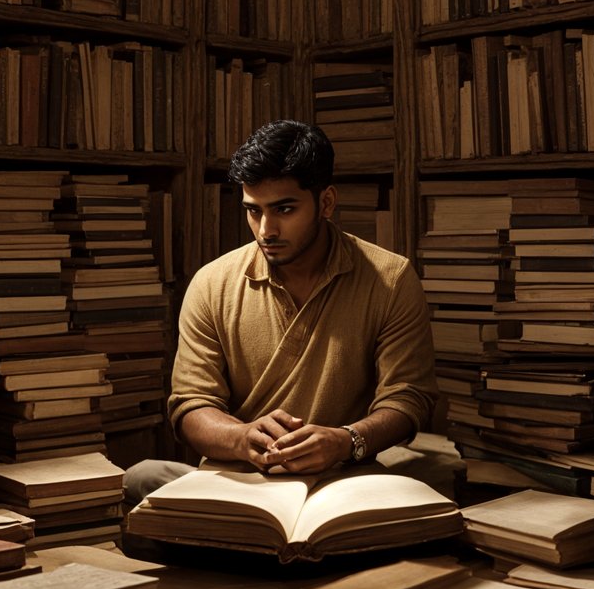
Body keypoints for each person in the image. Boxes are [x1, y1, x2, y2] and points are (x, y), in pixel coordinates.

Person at [123, 120, 438, 502]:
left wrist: (345, 441)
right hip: (236, 480)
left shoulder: (391, 279)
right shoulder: (211, 284)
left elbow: (408, 400)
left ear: (326, 202)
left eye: (284, 209)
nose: (266, 230)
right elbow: (191, 405)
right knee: (142, 476)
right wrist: (242, 438)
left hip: (343, 481)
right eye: (253, 211)